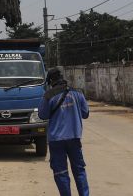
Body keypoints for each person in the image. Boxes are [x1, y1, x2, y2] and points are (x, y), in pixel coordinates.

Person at [38, 68, 90, 196]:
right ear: (62, 77)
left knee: (61, 172)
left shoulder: (48, 95)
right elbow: (85, 113)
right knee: (79, 170)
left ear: (50, 81)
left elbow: (42, 115)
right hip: (74, 138)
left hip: (56, 141)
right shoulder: (77, 92)